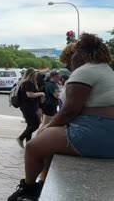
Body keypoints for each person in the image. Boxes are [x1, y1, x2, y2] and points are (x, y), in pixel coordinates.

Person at [8, 33, 114, 201]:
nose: (72, 58)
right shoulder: (105, 69)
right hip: (104, 129)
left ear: (84, 54)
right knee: (48, 145)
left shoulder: (85, 71)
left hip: (95, 131)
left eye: (75, 52)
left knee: (33, 146)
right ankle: (42, 182)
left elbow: (70, 110)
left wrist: (47, 128)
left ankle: (29, 188)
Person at [16, 68, 44, 149]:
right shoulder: (28, 83)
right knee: (35, 125)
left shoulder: (26, 82)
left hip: (28, 106)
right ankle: (20, 138)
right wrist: (41, 93)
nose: (36, 75)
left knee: (30, 125)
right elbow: (30, 95)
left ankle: (28, 144)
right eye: (35, 74)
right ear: (31, 75)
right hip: (29, 107)